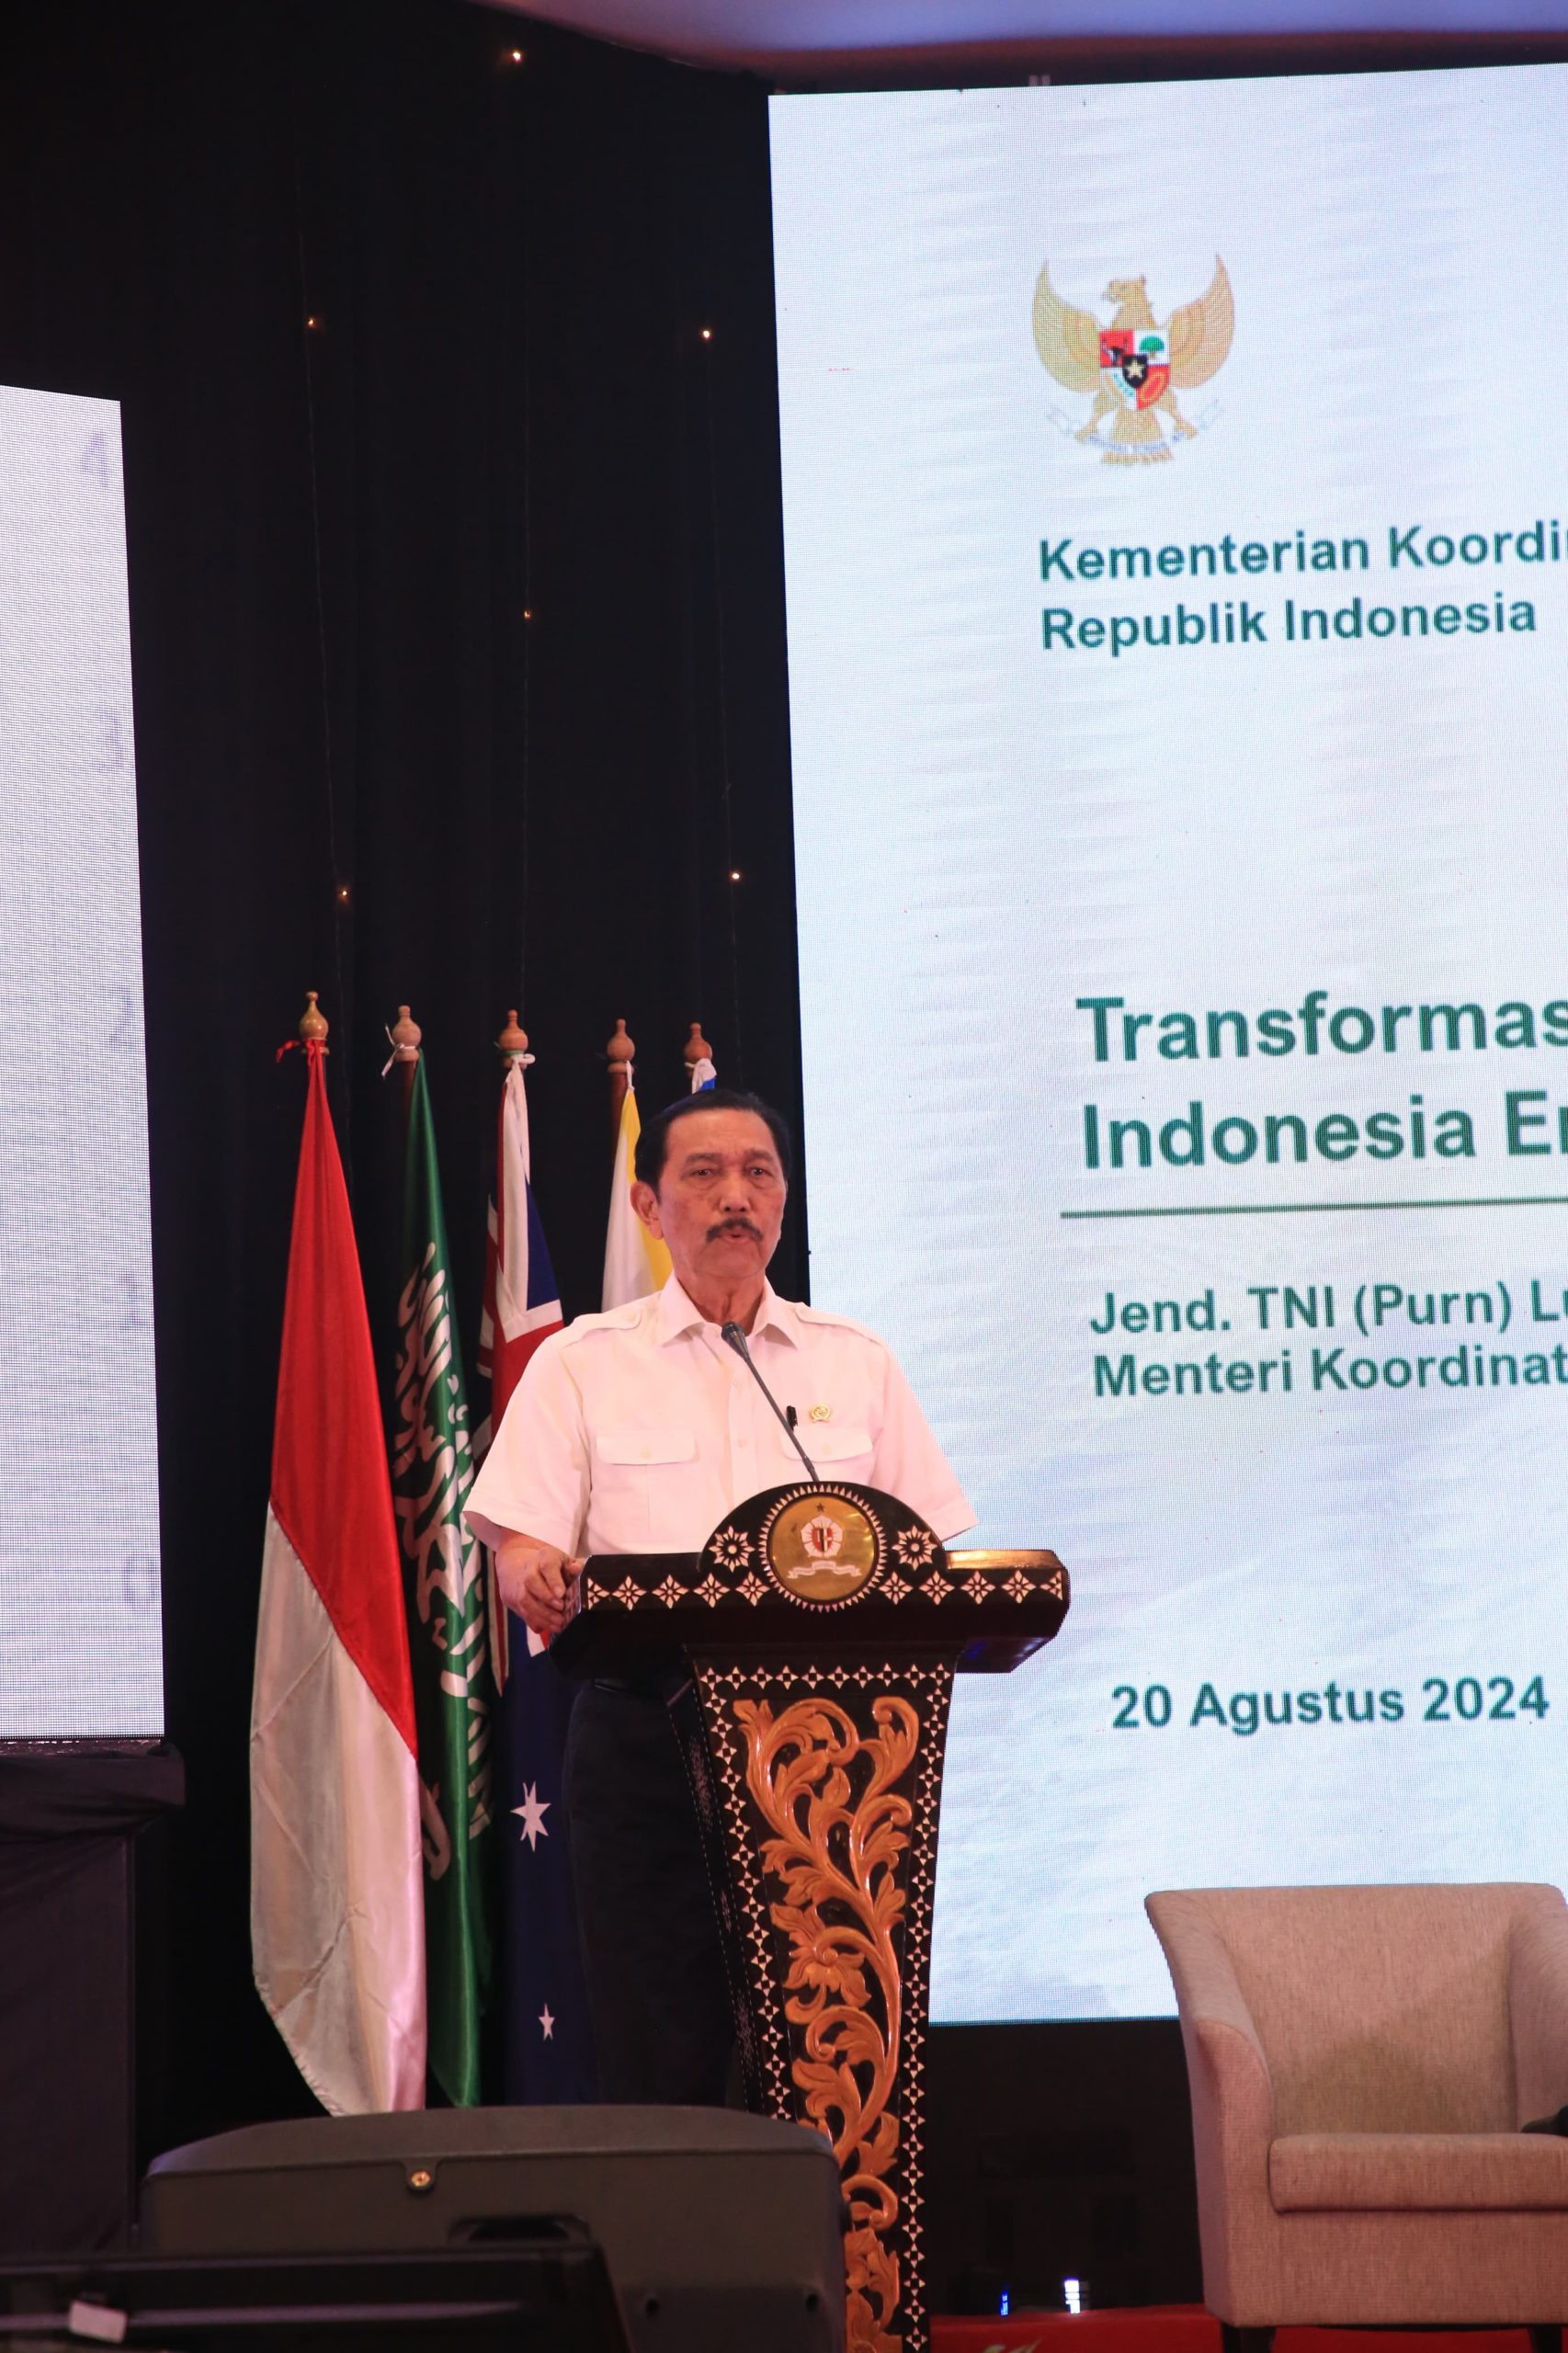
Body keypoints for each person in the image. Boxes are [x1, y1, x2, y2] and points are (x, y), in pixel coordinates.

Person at [465, 1087, 973, 2104]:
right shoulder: (582, 1363)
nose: (735, 1195)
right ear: (649, 1207)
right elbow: (520, 1542)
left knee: (833, 2043)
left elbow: (924, 1558)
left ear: (782, 1200)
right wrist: (529, 1569)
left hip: (835, 1756)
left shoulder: (855, 1361)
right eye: (703, 1174)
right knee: (661, 2039)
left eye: (758, 1174)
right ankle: (681, 2216)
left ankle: (825, 2212)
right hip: (649, 1739)